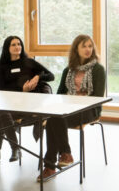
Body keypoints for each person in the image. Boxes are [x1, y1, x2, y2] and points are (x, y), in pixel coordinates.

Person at [0, 36, 55, 174]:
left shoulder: (28, 62)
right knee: (1, 112)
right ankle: (14, 148)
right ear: (7, 48)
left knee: (0, 114)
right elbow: (1, 90)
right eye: (13, 45)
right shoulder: (2, 67)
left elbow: (51, 76)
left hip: (30, 107)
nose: (18, 47)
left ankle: (0, 152)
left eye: (19, 44)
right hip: (12, 106)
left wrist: (37, 77)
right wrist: (21, 90)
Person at [42, 34, 108, 172]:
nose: (88, 49)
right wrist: (67, 102)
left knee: (54, 120)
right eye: (84, 46)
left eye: (90, 46)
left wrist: (75, 103)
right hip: (68, 108)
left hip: (89, 109)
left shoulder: (98, 69)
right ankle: (64, 155)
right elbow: (60, 93)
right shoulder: (68, 70)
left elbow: (97, 97)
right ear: (76, 49)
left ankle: (51, 165)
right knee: (54, 118)